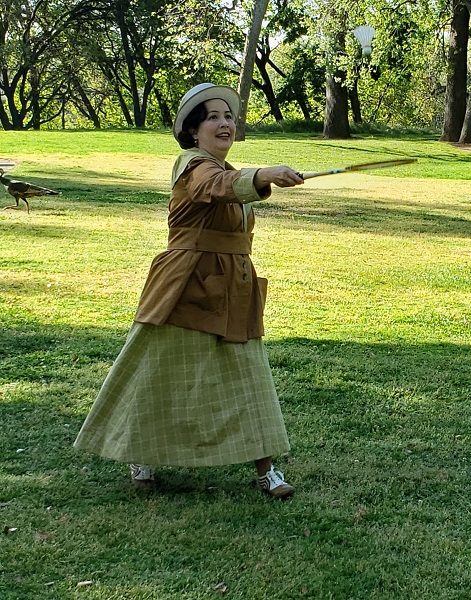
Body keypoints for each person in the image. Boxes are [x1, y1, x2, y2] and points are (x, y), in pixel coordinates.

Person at [74, 83, 304, 498]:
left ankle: (266, 470)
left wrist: (258, 178)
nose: (224, 124)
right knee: (157, 374)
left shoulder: (227, 171)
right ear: (194, 132)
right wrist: (265, 175)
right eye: (213, 117)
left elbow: (230, 185)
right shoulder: (192, 164)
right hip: (185, 286)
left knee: (249, 374)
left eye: (229, 117)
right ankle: (139, 453)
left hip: (235, 286)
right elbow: (212, 187)